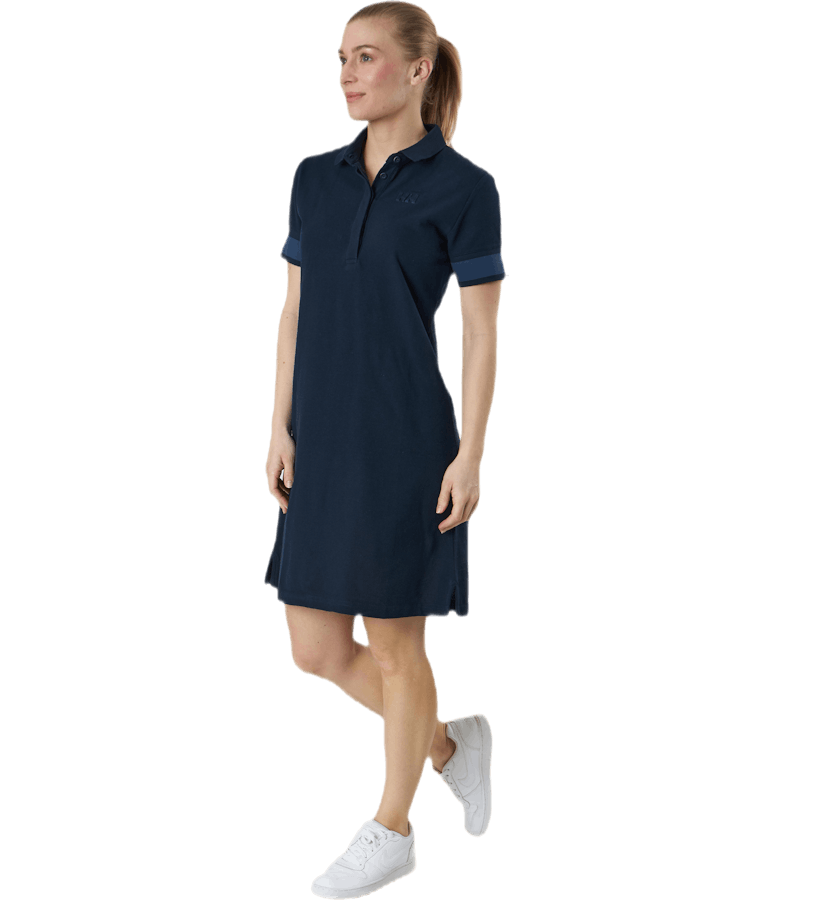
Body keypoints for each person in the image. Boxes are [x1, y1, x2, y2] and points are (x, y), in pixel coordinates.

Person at [263, 4, 505, 897]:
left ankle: (391, 828)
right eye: (341, 58)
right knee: (315, 648)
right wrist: (278, 425)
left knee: (398, 645)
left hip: (407, 441)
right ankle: (449, 746)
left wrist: (470, 453)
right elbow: (295, 310)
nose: (347, 73)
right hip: (320, 439)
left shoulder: (465, 188)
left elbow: (480, 334)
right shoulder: (313, 177)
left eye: (366, 57)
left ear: (418, 69)